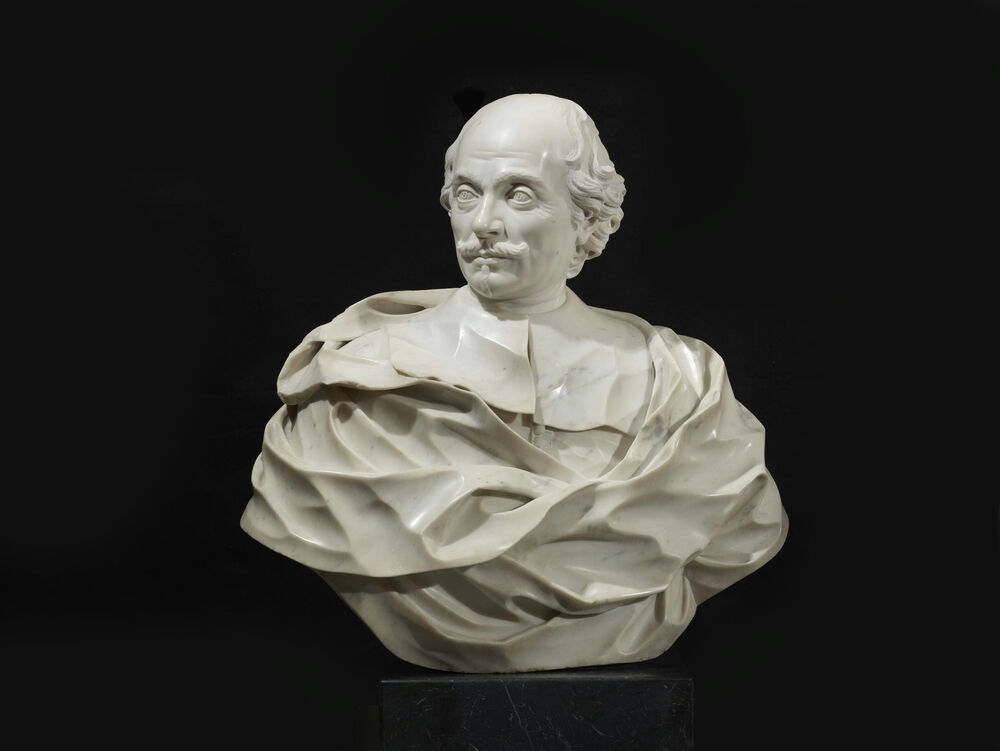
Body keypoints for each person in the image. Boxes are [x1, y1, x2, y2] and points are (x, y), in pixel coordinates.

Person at [241, 94, 787, 673]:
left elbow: (740, 529)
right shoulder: (354, 385)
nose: (483, 224)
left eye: (519, 195)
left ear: (587, 218)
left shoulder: (682, 382)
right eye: (466, 194)